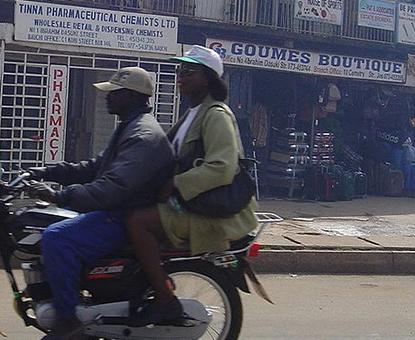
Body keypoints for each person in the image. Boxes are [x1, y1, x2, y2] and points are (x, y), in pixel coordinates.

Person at [27, 66, 175, 339]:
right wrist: (48, 171)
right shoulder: (130, 127)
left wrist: (60, 196)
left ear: (131, 95)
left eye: (113, 93)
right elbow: (95, 167)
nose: (107, 97)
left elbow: (112, 188)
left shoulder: (142, 135)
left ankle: (68, 319)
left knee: (56, 237)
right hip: (117, 209)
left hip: (122, 215)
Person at [124, 45, 259, 327]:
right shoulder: (192, 114)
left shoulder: (216, 115)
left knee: (138, 223)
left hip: (206, 212)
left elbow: (221, 168)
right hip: (186, 203)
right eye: (179, 70)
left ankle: (164, 300)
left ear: (208, 78)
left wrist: (175, 184)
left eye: (189, 71)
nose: (180, 76)